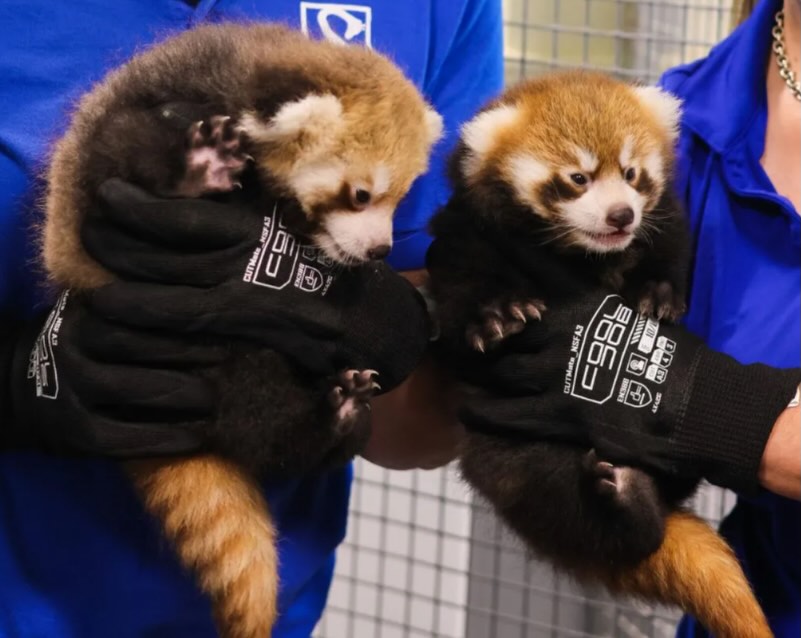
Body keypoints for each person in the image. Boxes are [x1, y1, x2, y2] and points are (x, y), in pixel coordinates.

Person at [0, 2, 502, 636]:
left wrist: (391, 325)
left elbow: (414, 426)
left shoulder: (440, 17)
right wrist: (12, 379)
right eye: (361, 198)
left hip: (271, 594)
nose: (379, 236)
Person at [454, 0, 800, 635]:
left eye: (634, 181)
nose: (621, 207)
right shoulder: (690, 108)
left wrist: (720, 412)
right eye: (576, 180)